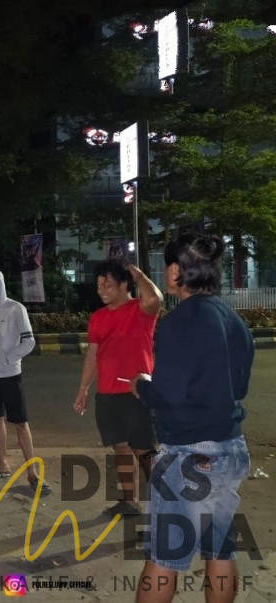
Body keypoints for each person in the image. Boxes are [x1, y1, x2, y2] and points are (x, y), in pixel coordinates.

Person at [130, 234, 254, 603]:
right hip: (231, 449)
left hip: (189, 457)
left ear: (174, 272)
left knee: (163, 560)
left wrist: (141, 385)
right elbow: (239, 386)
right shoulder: (233, 320)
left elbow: (166, 394)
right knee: (220, 551)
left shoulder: (180, 321)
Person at [73, 259, 162, 517]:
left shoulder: (140, 310)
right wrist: (83, 388)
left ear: (124, 285)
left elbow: (155, 298)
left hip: (137, 394)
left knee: (144, 451)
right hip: (107, 394)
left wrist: (139, 274)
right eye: (99, 285)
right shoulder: (98, 318)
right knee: (121, 448)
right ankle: (130, 501)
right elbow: (93, 355)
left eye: (108, 285)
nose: (101, 290)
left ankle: (164, 507)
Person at [0, 269, 46, 491]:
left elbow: (29, 341)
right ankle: (3, 464)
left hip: (10, 375)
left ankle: (32, 472)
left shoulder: (16, 309)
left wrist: (8, 358)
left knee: (21, 423)